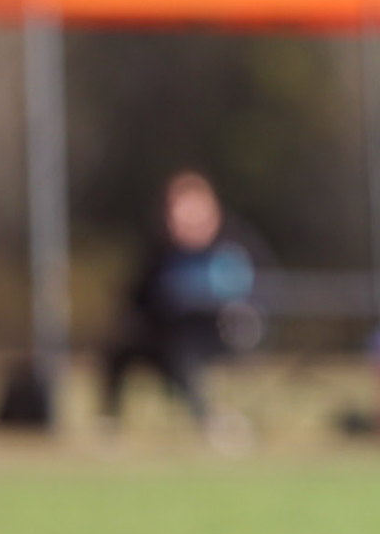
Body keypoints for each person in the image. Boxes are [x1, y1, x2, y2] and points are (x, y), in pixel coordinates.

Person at [98, 170, 269, 440]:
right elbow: (137, 298)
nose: (179, 221)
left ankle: (208, 421)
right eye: (174, 213)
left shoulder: (235, 242)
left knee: (182, 353)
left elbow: (260, 290)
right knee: (120, 350)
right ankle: (109, 424)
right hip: (166, 335)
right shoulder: (160, 250)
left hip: (220, 333)